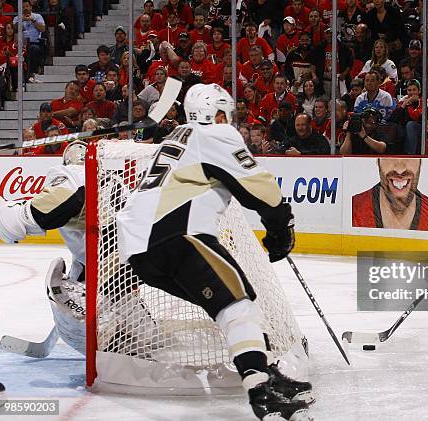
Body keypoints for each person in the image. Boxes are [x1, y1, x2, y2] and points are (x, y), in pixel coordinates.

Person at [115, 83, 314, 420]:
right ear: (216, 113)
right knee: (238, 305)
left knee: (231, 306)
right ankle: (260, 390)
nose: (231, 121)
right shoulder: (215, 134)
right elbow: (258, 186)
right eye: (227, 114)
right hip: (177, 235)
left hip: (140, 253)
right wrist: (281, 225)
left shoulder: (177, 137)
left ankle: (262, 368)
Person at [0, 142, 158, 357]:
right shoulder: (112, 179)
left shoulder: (73, 172)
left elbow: (61, 201)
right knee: (104, 287)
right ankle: (149, 337)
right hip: (141, 252)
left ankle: (112, 345)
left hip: (110, 257)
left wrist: (17, 217)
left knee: (62, 288)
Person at [351, 157, 428, 231]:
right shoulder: (352, 210)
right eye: (390, 156)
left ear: (420, 162)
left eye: (411, 156)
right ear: (378, 161)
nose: (400, 169)